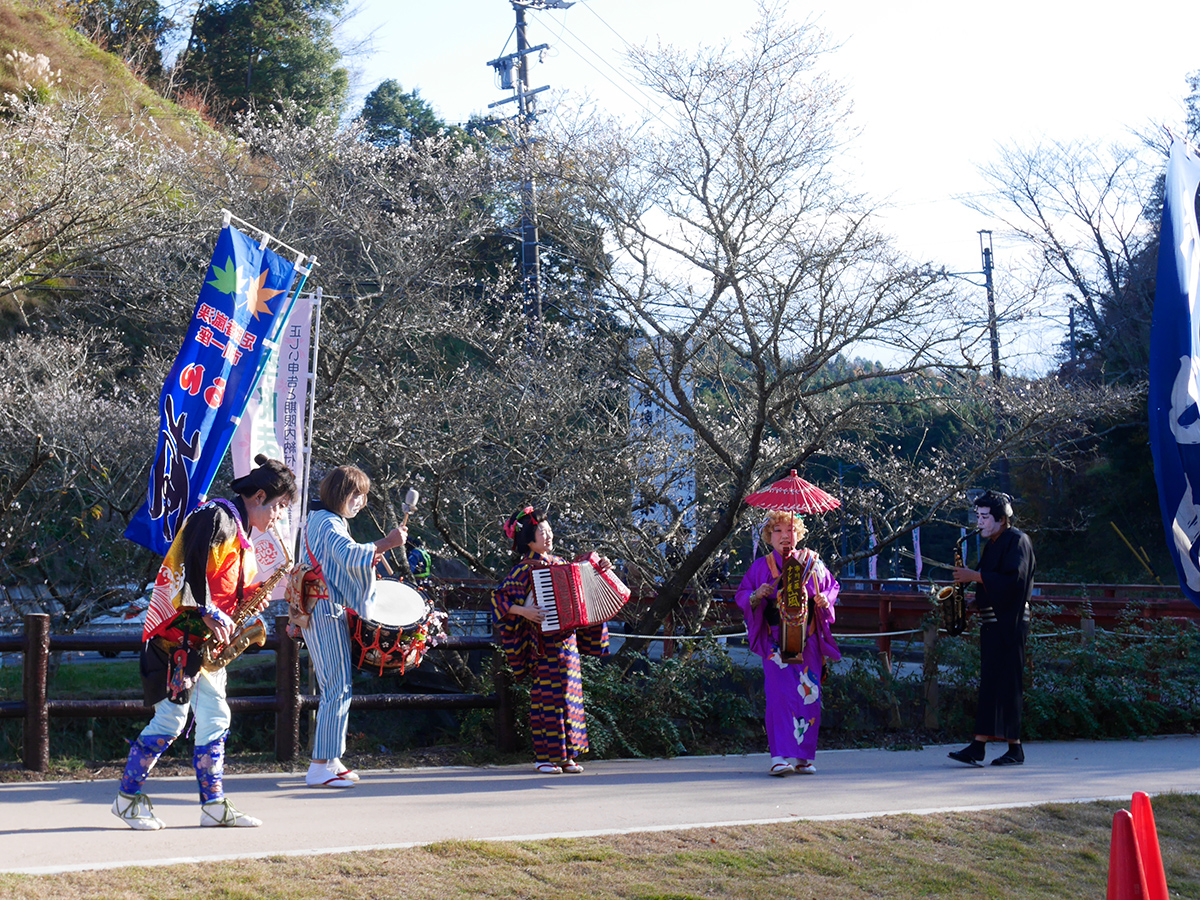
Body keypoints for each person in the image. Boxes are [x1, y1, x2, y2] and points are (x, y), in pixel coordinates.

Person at [112, 455, 296, 830]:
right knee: (172, 718)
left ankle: (213, 805)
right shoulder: (217, 516)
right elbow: (193, 561)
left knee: (215, 716)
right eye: (278, 507)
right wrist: (209, 609)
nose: (277, 517)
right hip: (176, 638)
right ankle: (127, 799)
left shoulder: (238, 529)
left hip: (202, 643)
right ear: (259, 496)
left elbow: (229, 588)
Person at [302, 465, 407, 788]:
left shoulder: (324, 520)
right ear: (340, 494)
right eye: (356, 494)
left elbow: (342, 561)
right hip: (323, 610)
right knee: (336, 687)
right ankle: (319, 766)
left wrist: (371, 554)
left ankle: (331, 758)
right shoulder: (330, 524)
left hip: (322, 607)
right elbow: (349, 556)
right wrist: (386, 543)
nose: (360, 502)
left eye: (363, 496)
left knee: (338, 686)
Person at [491, 506, 610, 774]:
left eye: (549, 531)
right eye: (542, 532)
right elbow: (499, 599)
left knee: (570, 698)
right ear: (529, 540)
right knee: (546, 700)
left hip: (568, 645)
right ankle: (544, 757)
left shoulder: (560, 564)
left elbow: (584, 580)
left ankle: (567, 756)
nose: (549, 536)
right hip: (542, 645)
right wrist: (524, 611)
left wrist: (600, 567)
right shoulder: (524, 569)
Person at [733, 510, 841, 776]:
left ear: (799, 534)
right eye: (778, 531)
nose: (785, 536)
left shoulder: (812, 563)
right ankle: (779, 756)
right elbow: (742, 594)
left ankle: (803, 757)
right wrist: (757, 595)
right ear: (770, 536)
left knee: (809, 696)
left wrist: (825, 599)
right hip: (775, 641)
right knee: (779, 697)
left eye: (791, 530)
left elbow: (832, 586)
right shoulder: (761, 566)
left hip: (809, 639)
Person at [948, 490, 1036, 767]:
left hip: (1010, 624)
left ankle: (1015, 748)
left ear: (1001, 519)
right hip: (992, 623)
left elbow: (1015, 581)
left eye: (985, 517)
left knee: (1009, 684)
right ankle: (978, 745)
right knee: (989, 684)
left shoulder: (1018, 541)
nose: (980, 523)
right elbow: (992, 584)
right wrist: (971, 599)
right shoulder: (993, 544)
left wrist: (975, 576)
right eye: (978, 516)